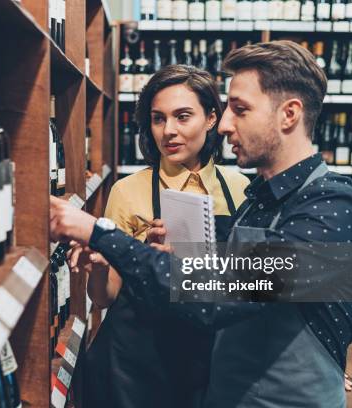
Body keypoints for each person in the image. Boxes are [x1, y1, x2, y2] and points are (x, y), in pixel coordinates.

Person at [51, 41, 352, 407]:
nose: (223, 124)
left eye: (239, 109)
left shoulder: (332, 208)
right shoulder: (258, 200)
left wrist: (98, 232)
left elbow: (219, 292)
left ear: (289, 114)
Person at [75, 65, 249, 408]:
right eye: (158, 119)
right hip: (135, 365)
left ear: (212, 118)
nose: (168, 131)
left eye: (183, 116)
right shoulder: (127, 191)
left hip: (209, 358)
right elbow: (104, 298)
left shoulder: (240, 189)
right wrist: (104, 264)